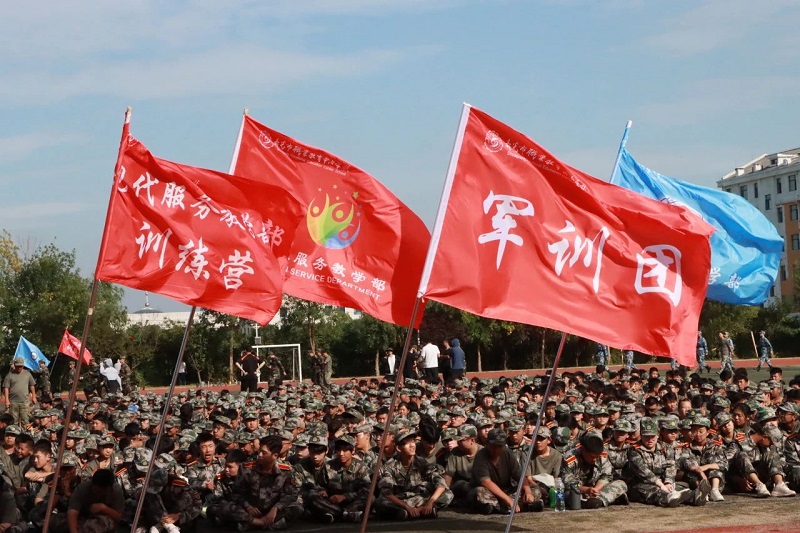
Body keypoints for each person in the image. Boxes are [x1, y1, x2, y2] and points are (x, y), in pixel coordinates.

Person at [376, 428, 453, 520]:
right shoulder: (390, 465)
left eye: (413, 441)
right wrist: (406, 506)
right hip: (400, 500)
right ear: (398, 448)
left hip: (419, 499)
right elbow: (386, 492)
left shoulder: (421, 462)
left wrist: (429, 503)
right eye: (407, 443)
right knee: (380, 502)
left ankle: (418, 511)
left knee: (448, 493)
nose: (412, 445)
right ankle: (414, 512)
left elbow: (440, 483)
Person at [469, 428, 543, 514]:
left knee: (534, 487)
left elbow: (519, 475)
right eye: (494, 446)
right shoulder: (481, 456)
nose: (496, 450)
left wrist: (528, 491)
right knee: (479, 492)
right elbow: (486, 482)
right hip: (489, 492)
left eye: (499, 446)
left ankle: (512, 505)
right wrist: (508, 500)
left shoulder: (507, 453)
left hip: (506, 490)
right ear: (487, 444)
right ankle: (514, 506)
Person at [2, 359, 36, 427]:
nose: (19, 368)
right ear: (14, 365)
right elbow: (6, 388)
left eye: (21, 366)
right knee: (14, 421)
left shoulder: (27, 374)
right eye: (17, 366)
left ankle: (25, 433)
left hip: (25, 401)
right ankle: (14, 433)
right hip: (13, 401)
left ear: (23, 366)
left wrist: (34, 396)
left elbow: (32, 385)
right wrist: (7, 400)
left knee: (25, 420)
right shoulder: (10, 375)